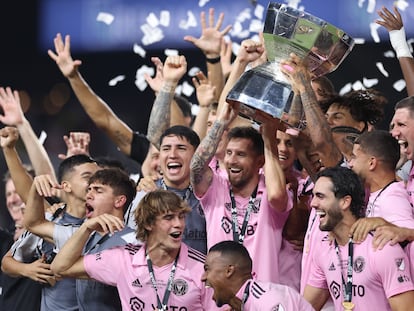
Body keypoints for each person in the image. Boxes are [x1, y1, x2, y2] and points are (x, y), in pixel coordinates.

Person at [51, 189, 219, 311]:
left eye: (181, 217)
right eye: (169, 218)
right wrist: (86, 228)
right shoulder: (123, 259)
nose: (179, 224)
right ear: (148, 223)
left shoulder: (202, 268)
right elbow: (60, 267)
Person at [190, 99, 290, 283]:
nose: (231, 160)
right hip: (218, 301)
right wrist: (221, 123)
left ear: (259, 162)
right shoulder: (216, 188)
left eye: (241, 154)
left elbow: (277, 196)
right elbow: (196, 168)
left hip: (261, 300)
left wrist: (269, 138)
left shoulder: (269, 189)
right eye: (229, 153)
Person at [303, 166, 414, 310]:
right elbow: (304, 306)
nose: (313, 203)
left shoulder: (381, 248)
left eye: (320, 196)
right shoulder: (324, 249)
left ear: (345, 202)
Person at [52, 167, 137, 311]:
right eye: (89, 190)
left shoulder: (132, 242)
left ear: (119, 201)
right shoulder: (85, 236)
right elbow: (57, 269)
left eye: (98, 190)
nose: (89, 195)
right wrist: (86, 228)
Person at [24, 154, 100, 310]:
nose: (95, 183)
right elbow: (32, 224)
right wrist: (26, 269)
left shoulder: (113, 229)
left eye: (99, 177)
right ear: (66, 186)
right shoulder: (56, 222)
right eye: (88, 177)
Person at [126, 125, 208, 254]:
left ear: (196, 154)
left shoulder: (209, 194)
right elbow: (132, 248)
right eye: (166, 149)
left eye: (181, 148)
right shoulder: (145, 195)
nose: (172, 155)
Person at [202, 240, 314, 311]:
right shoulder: (245, 303)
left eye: (207, 269)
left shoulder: (268, 301)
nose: (203, 277)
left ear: (229, 271)